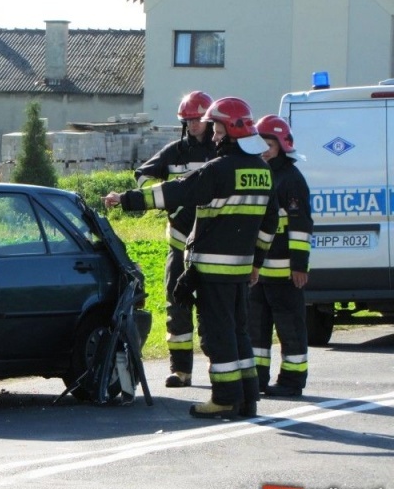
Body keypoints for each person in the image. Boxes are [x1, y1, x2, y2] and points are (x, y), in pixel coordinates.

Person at [104, 97, 278, 419]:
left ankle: (225, 398)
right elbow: (270, 225)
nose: (213, 135)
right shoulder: (263, 171)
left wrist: (124, 200)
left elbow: (175, 192)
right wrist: (256, 263)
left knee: (217, 335)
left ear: (231, 130)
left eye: (217, 128)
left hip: (212, 270)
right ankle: (246, 398)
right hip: (240, 271)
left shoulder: (219, 169)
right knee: (239, 332)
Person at [132, 91, 216, 388]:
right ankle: (180, 370)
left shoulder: (221, 152)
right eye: (188, 120)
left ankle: (218, 369)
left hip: (211, 247)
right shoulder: (174, 152)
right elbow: (141, 176)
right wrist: (167, 199)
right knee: (176, 307)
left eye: (197, 120)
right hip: (179, 245)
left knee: (212, 309)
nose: (193, 125)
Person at [250, 115, 313, 397]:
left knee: (290, 329)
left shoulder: (291, 179)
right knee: (256, 329)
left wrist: (299, 266)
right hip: (258, 272)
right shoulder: (258, 174)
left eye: (269, 143)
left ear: (282, 145)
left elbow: (300, 227)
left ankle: (292, 380)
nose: (264, 148)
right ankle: (257, 378)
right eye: (260, 142)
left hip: (286, 273)